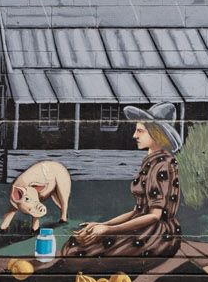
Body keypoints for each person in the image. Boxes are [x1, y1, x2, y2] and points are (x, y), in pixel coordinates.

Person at [64, 102, 183, 258]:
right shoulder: (151, 161)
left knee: (77, 252)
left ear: (156, 134)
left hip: (157, 234)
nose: (135, 135)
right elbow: (137, 211)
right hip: (142, 223)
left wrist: (108, 230)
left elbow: (154, 216)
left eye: (140, 131)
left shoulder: (162, 165)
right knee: (75, 242)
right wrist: (102, 225)